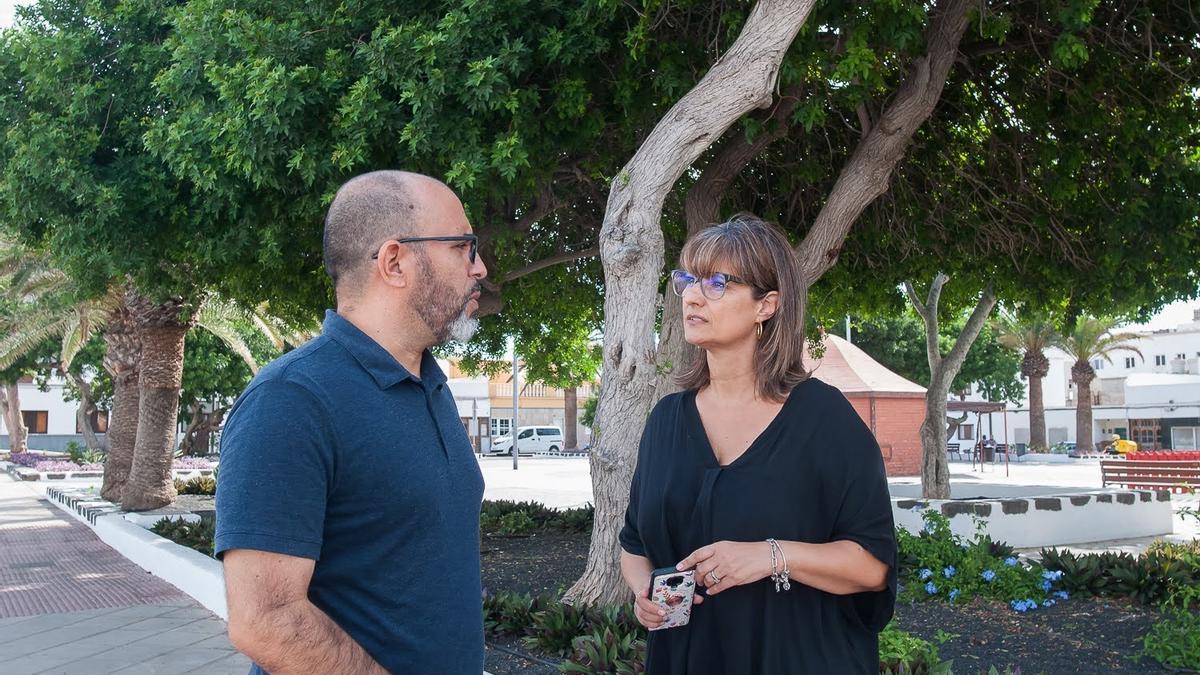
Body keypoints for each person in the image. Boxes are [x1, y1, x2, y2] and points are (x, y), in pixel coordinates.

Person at [216, 170, 489, 674]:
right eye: (463, 248)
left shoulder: (431, 383)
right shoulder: (291, 400)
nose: (480, 267)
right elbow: (265, 619)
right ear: (394, 262)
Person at [619, 214, 897, 674]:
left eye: (716, 283)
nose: (691, 295)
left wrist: (768, 556)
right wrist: (645, 591)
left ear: (766, 305)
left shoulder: (824, 420)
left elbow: (872, 566)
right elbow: (633, 542)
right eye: (686, 280)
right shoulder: (666, 421)